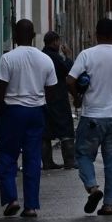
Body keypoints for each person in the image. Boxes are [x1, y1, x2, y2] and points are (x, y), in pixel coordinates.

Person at [68, 18, 112, 216]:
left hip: (92, 116)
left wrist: (78, 98)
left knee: (83, 154)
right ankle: (109, 205)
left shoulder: (87, 55)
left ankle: (92, 187)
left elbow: (70, 80)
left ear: (96, 34)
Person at [0, 19, 59, 218]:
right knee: (32, 158)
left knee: (7, 155)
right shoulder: (45, 60)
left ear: (15, 36)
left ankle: (11, 199)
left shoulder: (8, 59)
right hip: (35, 112)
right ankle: (31, 206)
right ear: (33, 37)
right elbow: (51, 91)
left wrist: (0, 114)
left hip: (12, 111)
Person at [40, 31, 75, 170]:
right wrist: (68, 56)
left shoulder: (41, 56)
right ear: (54, 42)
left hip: (43, 98)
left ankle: (47, 162)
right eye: (58, 41)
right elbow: (68, 71)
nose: (60, 44)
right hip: (58, 97)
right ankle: (69, 161)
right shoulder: (55, 57)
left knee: (46, 132)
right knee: (66, 130)